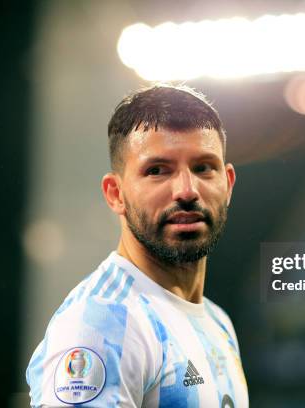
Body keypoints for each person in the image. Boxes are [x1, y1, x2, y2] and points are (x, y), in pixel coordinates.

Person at [26, 84, 248, 407]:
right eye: (157, 170)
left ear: (227, 184)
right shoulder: (102, 322)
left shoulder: (218, 322)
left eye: (203, 168)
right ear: (116, 193)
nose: (186, 190)